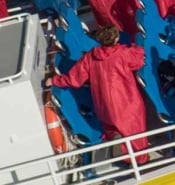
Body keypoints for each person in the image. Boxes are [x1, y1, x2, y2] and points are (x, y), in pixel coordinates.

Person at [50, 25, 151, 165]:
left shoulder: (90, 57)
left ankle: (119, 144)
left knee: (111, 128)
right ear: (116, 38)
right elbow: (139, 59)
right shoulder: (123, 54)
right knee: (135, 133)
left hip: (103, 106)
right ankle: (141, 161)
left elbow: (74, 79)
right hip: (126, 103)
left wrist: (54, 80)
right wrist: (136, 45)